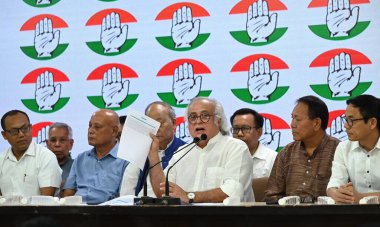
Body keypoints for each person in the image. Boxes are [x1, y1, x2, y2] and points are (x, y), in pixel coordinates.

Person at [149, 97, 254, 203]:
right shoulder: (181, 153)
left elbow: (232, 192)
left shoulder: (236, 148)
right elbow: (163, 192)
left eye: (205, 116)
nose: (198, 122)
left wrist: (188, 196)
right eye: (193, 117)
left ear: (218, 120)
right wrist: (153, 155)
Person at [265, 95, 340, 203]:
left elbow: (345, 194)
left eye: (298, 119)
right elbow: (271, 195)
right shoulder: (286, 152)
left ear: (316, 123)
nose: (292, 124)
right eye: (292, 118)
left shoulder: (338, 150)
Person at [63, 109, 139, 205]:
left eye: (97, 127)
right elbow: (68, 194)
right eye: (90, 126)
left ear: (114, 130)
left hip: (107, 214)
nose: (90, 131)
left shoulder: (126, 160)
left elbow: (124, 200)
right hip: (77, 211)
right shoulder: (80, 158)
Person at [327, 95, 380, 203]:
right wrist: (337, 193)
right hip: (356, 216)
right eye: (345, 120)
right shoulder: (343, 148)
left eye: (351, 120)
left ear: (372, 123)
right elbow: (334, 183)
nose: (346, 126)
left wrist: (360, 197)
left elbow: (357, 197)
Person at [0, 110, 61, 196]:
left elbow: (46, 201)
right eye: (14, 131)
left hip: (37, 209)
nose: (21, 134)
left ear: (31, 128)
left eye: (25, 128)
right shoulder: (1, 159)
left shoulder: (46, 156)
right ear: (4, 135)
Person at [134, 101, 186, 196]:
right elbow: (127, 190)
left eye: (159, 123)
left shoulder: (185, 152)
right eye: (150, 124)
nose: (155, 128)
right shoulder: (140, 152)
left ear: (174, 123)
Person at [230, 108, 277, 179]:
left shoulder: (273, 159)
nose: (239, 134)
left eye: (245, 128)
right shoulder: (225, 158)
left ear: (259, 132)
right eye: (236, 129)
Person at [46, 122, 74, 196]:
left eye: (62, 140)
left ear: (71, 144)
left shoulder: (77, 167)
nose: (57, 144)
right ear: (47, 144)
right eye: (53, 140)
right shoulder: (39, 166)